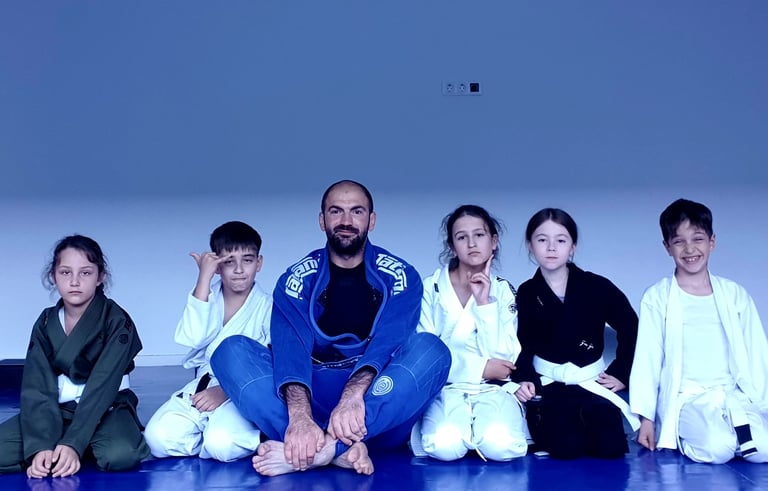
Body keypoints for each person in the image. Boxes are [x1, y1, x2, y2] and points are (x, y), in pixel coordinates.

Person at [211, 179, 451, 476]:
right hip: (311, 393)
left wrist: (353, 396)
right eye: (336, 211)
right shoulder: (297, 278)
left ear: (371, 220)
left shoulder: (401, 275)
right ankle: (328, 446)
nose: (346, 221)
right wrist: (300, 416)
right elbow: (290, 349)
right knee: (230, 351)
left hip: (374, 401)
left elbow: (389, 342)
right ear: (322, 220)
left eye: (357, 211)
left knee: (432, 350)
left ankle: (322, 450)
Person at [629, 198, 768, 463]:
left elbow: (757, 352)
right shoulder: (657, 297)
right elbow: (648, 359)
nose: (690, 249)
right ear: (667, 247)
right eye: (679, 241)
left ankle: (734, 432)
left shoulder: (734, 294)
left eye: (698, 239)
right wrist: (646, 420)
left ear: (712, 242)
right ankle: (687, 436)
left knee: (763, 449)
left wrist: (763, 405)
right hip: (687, 398)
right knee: (717, 449)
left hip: (731, 394)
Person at [0, 235, 149, 477]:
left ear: (100, 277)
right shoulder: (46, 321)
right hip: (56, 410)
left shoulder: (117, 320)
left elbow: (102, 385)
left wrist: (73, 443)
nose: (75, 281)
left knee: (120, 455)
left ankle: (75, 445)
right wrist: (40, 446)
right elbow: (37, 386)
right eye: (65, 272)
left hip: (107, 408)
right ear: (53, 276)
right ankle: (59, 448)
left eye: (86, 273)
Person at [514, 208, 639, 459]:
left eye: (561, 240)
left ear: (572, 247)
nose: (551, 248)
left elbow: (632, 328)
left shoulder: (597, 286)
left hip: (590, 380)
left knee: (611, 446)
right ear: (530, 246)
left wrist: (621, 373)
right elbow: (521, 343)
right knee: (567, 446)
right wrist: (525, 378)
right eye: (542, 240)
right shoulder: (527, 292)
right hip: (549, 384)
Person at [411, 204, 531, 461]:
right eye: (462, 237)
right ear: (452, 246)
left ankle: (482, 428)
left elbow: (504, 360)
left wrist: (485, 303)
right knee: (444, 446)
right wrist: (480, 368)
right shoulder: (430, 288)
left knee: (500, 446)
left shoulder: (503, 291)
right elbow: (426, 358)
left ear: (493, 242)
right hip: (445, 389)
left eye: (479, 235)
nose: (472, 243)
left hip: (493, 390)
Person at [144, 221, 272, 462]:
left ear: (259, 263)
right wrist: (203, 277)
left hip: (242, 390)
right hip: (203, 385)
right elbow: (193, 337)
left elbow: (269, 362)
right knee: (157, 439)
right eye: (229, 262)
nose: (239, 269)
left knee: (221, 445)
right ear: (217, 266)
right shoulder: (207, 297)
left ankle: (259, 437)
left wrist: (225, 391)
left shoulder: (268, 307)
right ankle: (210, 434)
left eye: (247, 260)